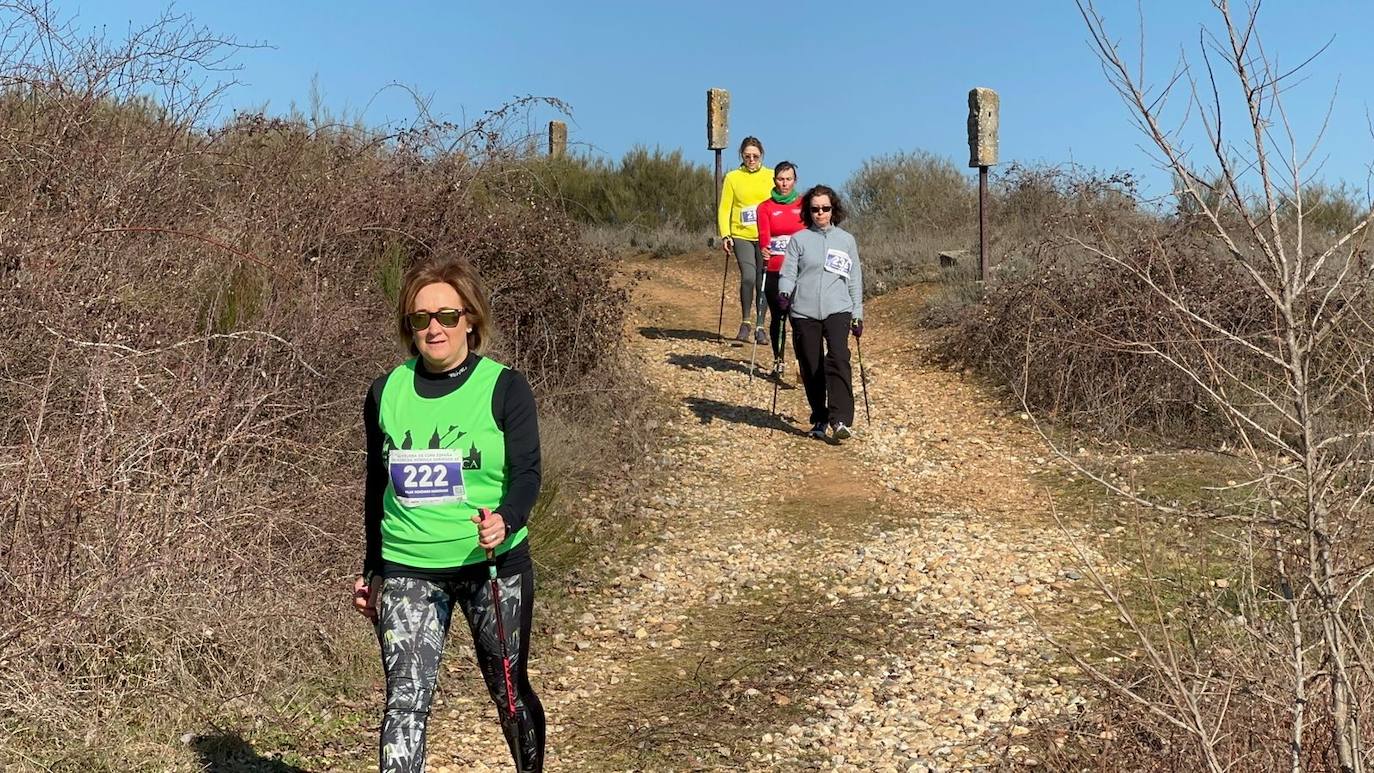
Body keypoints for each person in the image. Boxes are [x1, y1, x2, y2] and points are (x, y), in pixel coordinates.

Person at [353, 257, 545, 773]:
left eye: (446, 315)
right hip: (407, 566)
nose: (434, 328)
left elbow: (527, 473)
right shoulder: (384, 391)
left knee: (508, 693)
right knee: (405, 702)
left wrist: (506, 517)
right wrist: (372, 567)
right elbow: (377, 484)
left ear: (471, 320)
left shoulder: (506, 387)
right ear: (408, 327)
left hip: (491, 564)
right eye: (420, 318)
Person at [778, 184, 864, 441]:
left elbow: (854, 280)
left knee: (838, 358)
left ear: (833, 209)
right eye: (815, 209)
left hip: (838, 309)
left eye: (825, 208)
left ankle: (841, 421)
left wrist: (857, 313)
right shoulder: (799, 240)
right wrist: (784, 293)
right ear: (808, 211)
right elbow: (788, 273)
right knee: (811, 366)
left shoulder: (846, 240)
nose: (820, 213)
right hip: (804, 311)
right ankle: (820, 418)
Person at [716, 136, 774, 344]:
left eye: (755, 156)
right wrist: (725, 234)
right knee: (748, 276)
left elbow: (778, 204)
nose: (751, 159)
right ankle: (745, 322)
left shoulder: (771, 176)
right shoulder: (733, 177)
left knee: (763, 281)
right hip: (741, 234)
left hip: (765, 236)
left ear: (762, 156)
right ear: (741, 155)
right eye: (747, 155)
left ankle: (760, 326)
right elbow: (724, 208)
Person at [755, 161, 804, 379]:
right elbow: (764, 235)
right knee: (779, 317)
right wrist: (764, 248)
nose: (784, 184)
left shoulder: (804, 204)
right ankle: (779, 359)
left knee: (800, 318)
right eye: (780, 179)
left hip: (800, 271)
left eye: (788, 179)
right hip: (775, 268)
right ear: (774, 180)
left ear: (795, 181)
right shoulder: (765, 207)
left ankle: (803, 362)